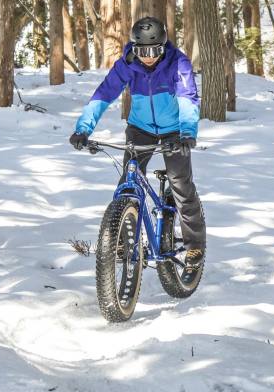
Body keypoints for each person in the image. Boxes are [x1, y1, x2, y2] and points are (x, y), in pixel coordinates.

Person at [69, 16, 206, 273]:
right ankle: (122, 237)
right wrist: (83, 129)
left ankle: (195, 245)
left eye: (154, 51)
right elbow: (103, 95)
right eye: (142, 51)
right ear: (134, 48)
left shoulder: (178, 64)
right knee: (128, 183)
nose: (148, 57)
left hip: (175, 131)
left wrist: (188, 133)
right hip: (140, 129)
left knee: (180, 185)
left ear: (164, 47)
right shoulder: (127, 65)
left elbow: (188, 98)